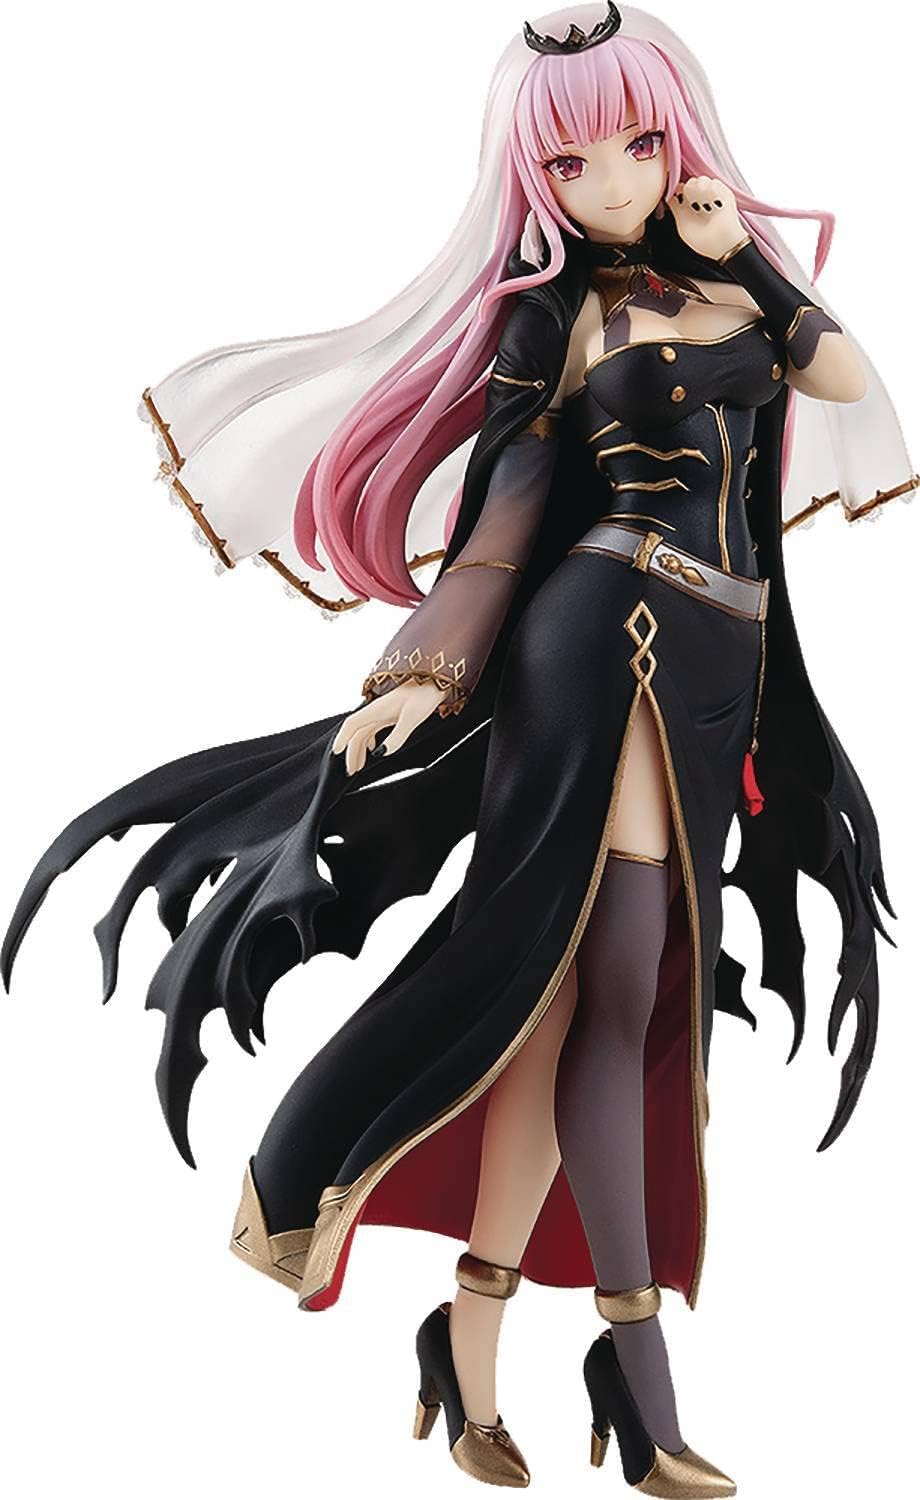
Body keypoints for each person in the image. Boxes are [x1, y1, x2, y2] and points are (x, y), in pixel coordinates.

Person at [3, 6, 913, 1495]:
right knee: (624, 982)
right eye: (572, 161)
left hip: (715, 666)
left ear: (681, 132)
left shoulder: (735, 291)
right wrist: (423, 669)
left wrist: (740, 252)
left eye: (639, 142)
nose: (613, 180)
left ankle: (467, 1340)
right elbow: (505, 515)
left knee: (558, 1003)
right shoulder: (552, 320)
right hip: (606, 639)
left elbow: (844, 378)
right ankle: (641, 1379)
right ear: (530, 176)